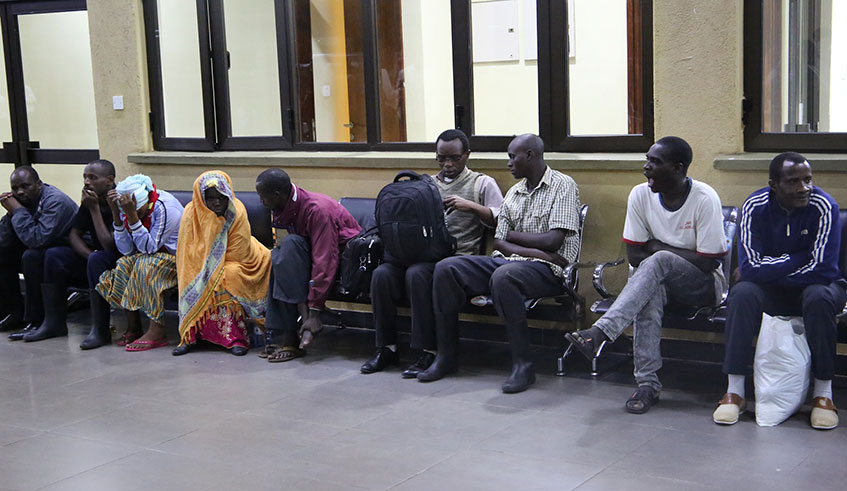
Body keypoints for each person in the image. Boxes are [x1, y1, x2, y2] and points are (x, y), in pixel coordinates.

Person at [565, 136, 727, 413]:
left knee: (660, 260)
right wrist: (658, 253)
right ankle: (647, 385)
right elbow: (636, 256)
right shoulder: (640, 194)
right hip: (656, 282)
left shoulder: (704, 198)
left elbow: (708, 263)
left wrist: (660, 247)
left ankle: (601, 332)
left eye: (655, 162)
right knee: (649, 291)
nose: (646, 167)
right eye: (647, 160)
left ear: (677, 168)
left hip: (703, 286)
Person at [418, 134, 581, 394]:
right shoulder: (515, 192)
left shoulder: (562, 185)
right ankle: (446, 356)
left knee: (505, 276)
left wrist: (523, 244)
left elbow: (553, 240)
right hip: (515, 262)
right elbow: (500, 242)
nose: (508, 164)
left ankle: (523, 365)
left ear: (530, 155)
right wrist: (532, 248)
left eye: (512, 157)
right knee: (447, 268)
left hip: (550, 270)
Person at [714, 153, 844, 429]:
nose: (803, 188)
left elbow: (823, 270)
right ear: (773, 185)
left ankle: (823, 395)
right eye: (794, 181)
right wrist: (799, 257)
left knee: (819, 296)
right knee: (743, 294)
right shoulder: (755, 206)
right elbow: (749, 268)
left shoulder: (824, 206)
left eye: (808, 180)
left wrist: (770, 270)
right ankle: (735, 391)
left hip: (817, 288)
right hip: (773, 289)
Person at [361, 129, 504, 377]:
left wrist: (471, 207)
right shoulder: (426, 185)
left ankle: (428, 350)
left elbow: (501, 220)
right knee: (382, 275)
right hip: (419, 253)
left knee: (417, 275)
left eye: (454, 158)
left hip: (456, 260)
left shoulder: (482, 183)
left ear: (467, 155)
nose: (447, 164)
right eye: (441, 158)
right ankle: (387, 347)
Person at [255, 168, 361, 362]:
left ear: (277, 195)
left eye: (264, 197)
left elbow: (326, 260)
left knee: (286, 251)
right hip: (316, 256)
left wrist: (315, 309)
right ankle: (293, 329)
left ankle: (290, 334)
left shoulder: (316, 210)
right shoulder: (287, 205)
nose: (262, 202)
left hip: (345, 262)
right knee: (279, 255)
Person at [172, 170, 271, 357]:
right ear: (201, 199)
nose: (217, 202)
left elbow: (238, 254)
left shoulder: (237, 211)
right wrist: (206, 270)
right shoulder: (190, 214)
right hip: (200, 263)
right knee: (197, 277)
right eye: (210, 198)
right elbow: (187, 253)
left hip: (242, 261)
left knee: (227, 276)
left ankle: (235, 338)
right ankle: (189, 336)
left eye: (221, 197)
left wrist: (212, 271)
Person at [26, 160, 121, 346]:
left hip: (119, 261)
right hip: (95, 260)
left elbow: (110, 246)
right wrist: (88, 256)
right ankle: (53, 323)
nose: (86, 182)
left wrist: (94, 210)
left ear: (109, 180)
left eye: (93, 178)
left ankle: (101, 331)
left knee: (98, 258)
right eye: (85, 177)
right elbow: (74, 234)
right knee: (53, 255)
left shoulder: (116, 200)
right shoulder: (90, 199)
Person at [95, 174, 183, 351]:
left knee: (145, 265)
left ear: (145, 203)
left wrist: (133, 217)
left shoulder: (166, 207)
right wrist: (117, 216)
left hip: (179, 259)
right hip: (152, 256)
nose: (136, 215)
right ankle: (134, 326)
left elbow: (149, 248)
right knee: (124, 264)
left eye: (140, 212)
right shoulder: (127, 208)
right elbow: (126, 250)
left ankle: (157, 330)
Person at [0, 166, 77, 340]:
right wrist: (10, 213)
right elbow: (4, 241)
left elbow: (36, 239)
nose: (19, 192)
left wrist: (18, 211)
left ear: (39, 184)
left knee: (31, 256)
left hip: (72, 254)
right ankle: (13, 313)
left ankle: (38, 320)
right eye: (15, 188)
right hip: (49, 250)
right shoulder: (22, 202)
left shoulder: (55, 201)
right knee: (3, 255)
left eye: (25, 186)